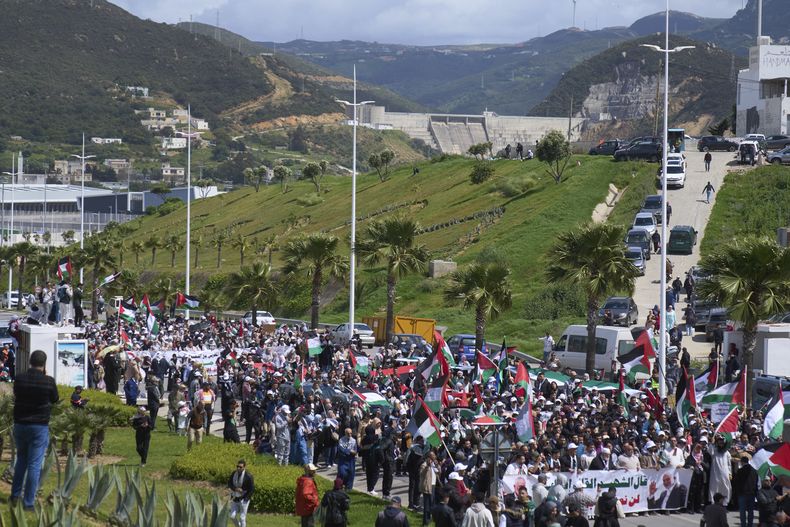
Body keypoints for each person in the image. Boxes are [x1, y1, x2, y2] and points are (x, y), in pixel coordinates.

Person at [11, 349, 59, 510]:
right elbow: (55, 399)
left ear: (30, 362)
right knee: (34, 465)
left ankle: (15, 495)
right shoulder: (48, 381)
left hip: (20, 424)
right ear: (44, 364)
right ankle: (28, 503)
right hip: (39, 426)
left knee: (21, 460)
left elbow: (16, 394)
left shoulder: (20, 379)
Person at [733, 455, 758, 527]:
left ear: (742, 462)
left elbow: (736, 482)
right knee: (750, 511)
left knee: (742, 511)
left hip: (742, 493)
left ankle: (743, 525)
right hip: (752, 493)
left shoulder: (740, 471)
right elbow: (756, 482)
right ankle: (750, 525)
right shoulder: (754, 471)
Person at [228, 459, 254, 527]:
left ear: (244, 467)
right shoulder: (234, 473)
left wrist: (246, 499)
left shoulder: (248, 476)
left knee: (242, 518)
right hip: (235, 498)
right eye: (237, 466)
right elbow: (229, 483)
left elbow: (251, 489)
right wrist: (235, 489)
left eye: (240, 467)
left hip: (244, 499)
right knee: (232, 516)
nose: (238, 468)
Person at [419, 451, 439, 526]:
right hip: (428, 486)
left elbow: (438, 472)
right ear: (429, 457)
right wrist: (427, 466)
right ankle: (425, 522)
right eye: (433, 455)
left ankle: (431, 518)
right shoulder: (424, 464)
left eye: (434, 455)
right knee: (427, 505)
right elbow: (421, 473)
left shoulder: (434, 464)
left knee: (432, 503)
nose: (435, 456)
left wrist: (438, 465)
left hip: (434, 485)